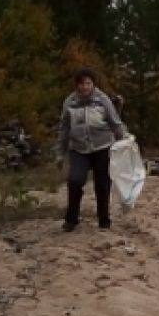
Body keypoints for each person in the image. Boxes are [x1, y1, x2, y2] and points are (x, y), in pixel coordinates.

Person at [56, 68, 128, 232]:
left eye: (88, 83)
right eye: (81, 84)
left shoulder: (102, 100)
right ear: (76, 85)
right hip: (78, 148)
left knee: (102, 184)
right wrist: (59, 153)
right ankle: (71, 219)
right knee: (75, 180)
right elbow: (64, 129)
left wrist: (124, 139)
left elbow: (115, 122)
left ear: (93, 84)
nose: (85, 87)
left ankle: (104, 219)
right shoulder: (70, 102)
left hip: (102, 146)